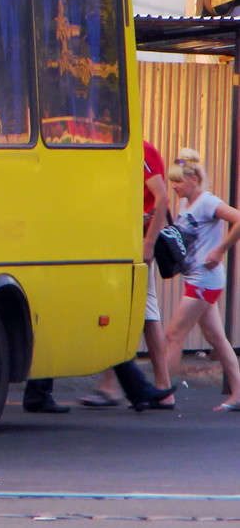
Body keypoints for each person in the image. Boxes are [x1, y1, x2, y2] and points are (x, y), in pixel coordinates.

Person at [80, 140, 175, 408]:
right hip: (126, 242)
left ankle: (140, 387)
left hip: (136, 245)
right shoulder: (122, 149)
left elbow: (162, 197)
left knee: (140, 312)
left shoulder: (141, 150)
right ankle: (156, 387)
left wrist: (148, 244)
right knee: (137, 312)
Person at [163, 148, 240, 412]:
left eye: (178, 181)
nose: (174, 187)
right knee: (217, 339)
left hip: (204, 279)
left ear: (193, 179)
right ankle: (238, 393)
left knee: (174, 334)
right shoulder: (186, 203)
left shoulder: (208, 202)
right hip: (196, 277)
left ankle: (163, 392)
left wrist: (220, 250)